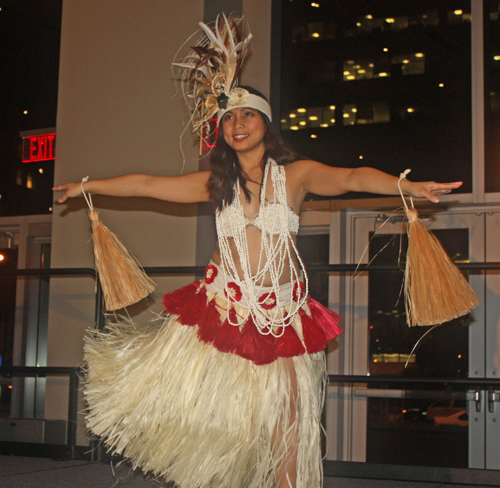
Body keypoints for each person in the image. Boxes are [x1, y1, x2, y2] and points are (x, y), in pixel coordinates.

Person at [53, 17, 462, 488]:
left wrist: (404, 186)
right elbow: (146, 183)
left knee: (286, 429)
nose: (237, 123)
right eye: (228, 117)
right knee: (221, 429)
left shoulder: (296, 175)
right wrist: (87, 187)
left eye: (247, 115)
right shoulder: (215, 184)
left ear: (266, 123)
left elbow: (351, 177)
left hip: (282, 316)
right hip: (223, 312)